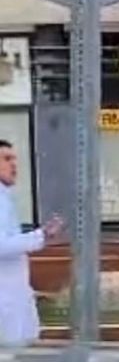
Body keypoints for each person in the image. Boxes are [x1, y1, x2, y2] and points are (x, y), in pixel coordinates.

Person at [0, 139, 63, 346]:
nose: (14, 165)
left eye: (14, 159)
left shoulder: (5, 197)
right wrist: (41, 236)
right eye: (7, 159)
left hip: (14, 296)